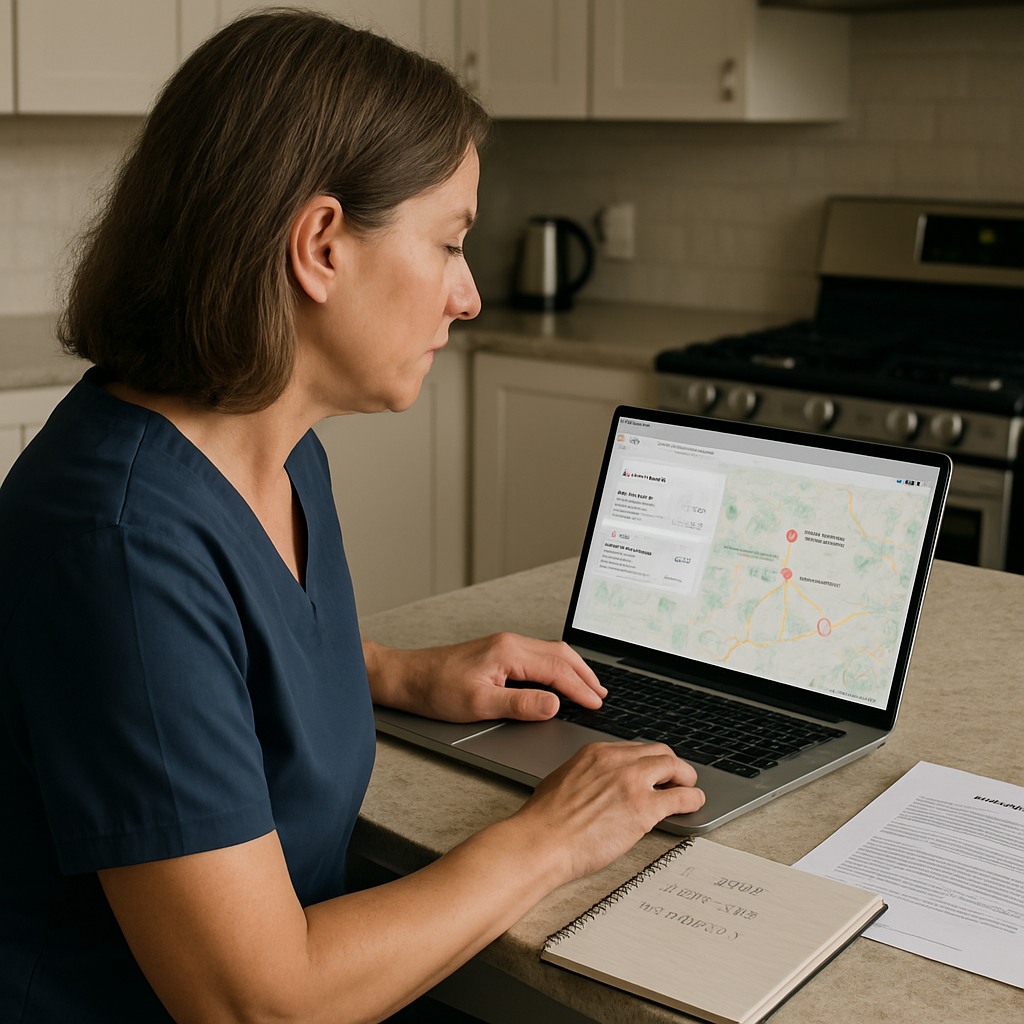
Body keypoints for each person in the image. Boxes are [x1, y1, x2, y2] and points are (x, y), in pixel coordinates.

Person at [0, 11, 705, 1023]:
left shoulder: (279, 455)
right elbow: (260, 1004)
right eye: (450, 241)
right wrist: (550, 835)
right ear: (321, 245)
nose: (466, 296)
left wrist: (396, 672)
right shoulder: (119, 546)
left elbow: (207, 663)